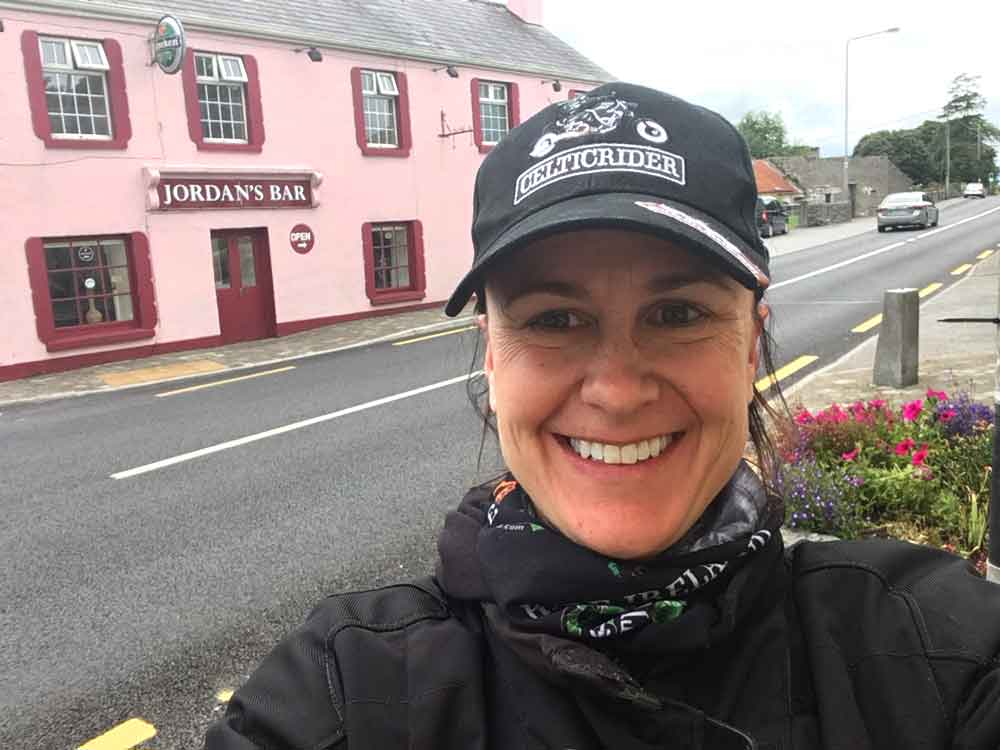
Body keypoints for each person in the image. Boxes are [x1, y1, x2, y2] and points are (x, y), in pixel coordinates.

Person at [205, 83, 1000, 750]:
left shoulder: (931, 651)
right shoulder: (349, 693)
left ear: (751, 347)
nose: (617, 391)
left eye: (678, 313)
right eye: (554, 320)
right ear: (493, 357)